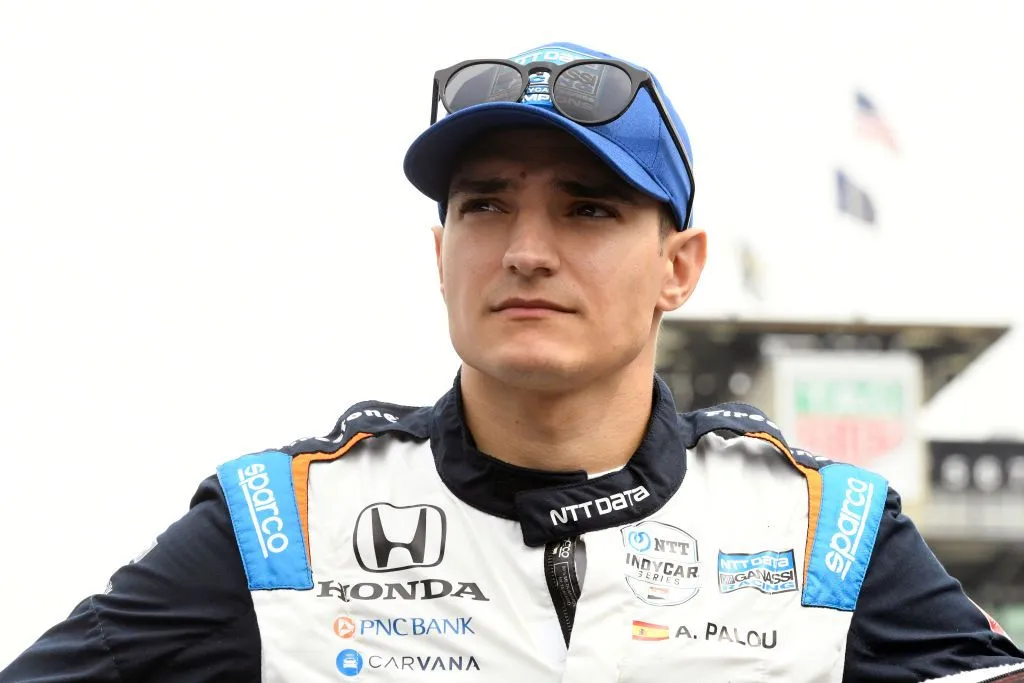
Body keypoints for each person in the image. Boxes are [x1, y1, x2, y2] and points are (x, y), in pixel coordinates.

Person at [2, 41, 1022, 683]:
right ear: (440, 253)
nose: (526, 249)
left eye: (588, 208)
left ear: (678, 267)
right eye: (485, 204)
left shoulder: (826, 534)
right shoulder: (284, 528)